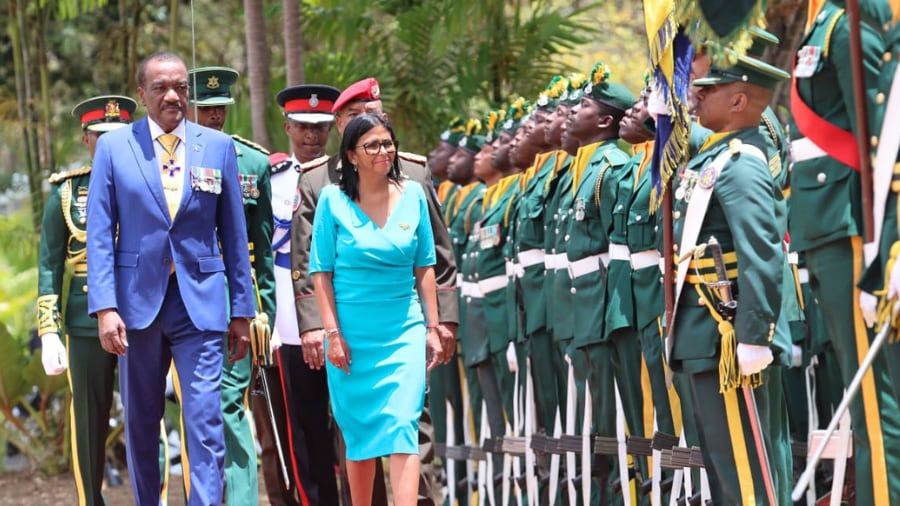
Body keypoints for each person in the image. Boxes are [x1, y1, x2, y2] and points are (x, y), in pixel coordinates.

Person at [85, 51, 255, 506]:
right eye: (161, 87)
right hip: (135, 307)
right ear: (142, 94)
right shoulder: (116, 148)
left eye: (180, 86)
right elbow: (100, 233)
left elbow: (234, 235)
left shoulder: (216, 146)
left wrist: (242, 310)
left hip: (199, 304)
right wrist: (105, 308)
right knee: (142, 424)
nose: (173, 95)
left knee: (205, 423)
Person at [291, 76, 458, 506]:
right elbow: (317, 271)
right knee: (360, 436)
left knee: (404, 427)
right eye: (373, 145)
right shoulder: (327, 196)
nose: (384, 152)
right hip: (352, 333)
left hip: (402, 329)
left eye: (388, 143)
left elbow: (430, 263)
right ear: (350, 152)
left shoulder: (415, 190)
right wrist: (327, 333)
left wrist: (436, 325)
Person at [669, 52, 793, 504]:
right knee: (724, 472)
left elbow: (762, 252)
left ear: (739, 99)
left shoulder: (741, 162)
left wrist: (755, 335)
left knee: (746, 476)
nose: (696, 96)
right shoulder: (714, 156)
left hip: (729, 338)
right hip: (702, 337)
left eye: (709, 89)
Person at [790, 2, 900, 504]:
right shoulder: (822, 21)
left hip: (852, 227)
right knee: (861, 405)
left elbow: (879, 137)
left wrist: (881, 242)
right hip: (823, 229)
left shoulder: (845, 22)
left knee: (875, 404)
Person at [37, 94, 136, 506]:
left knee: (146, 416)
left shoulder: (149, 182)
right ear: (86, 140)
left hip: (141, 316)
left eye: (119, 136)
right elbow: (49, 265)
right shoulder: (65, 192)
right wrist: (48, 331)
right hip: (84, 322)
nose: (109, 145)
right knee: (89, 419)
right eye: (101, 137)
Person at [186, 65, 275, 505]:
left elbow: (260, 249)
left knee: (228, 405)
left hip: (229, 306)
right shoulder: (162, 158)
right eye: (206, 107)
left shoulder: (252, 163)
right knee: (191, 410)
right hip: (175, 302)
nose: (216, 116)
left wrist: (264, 312)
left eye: (221, 108)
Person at [271, 83, 342, 506]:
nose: (312, 137)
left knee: (350, 423)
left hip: (343, 307)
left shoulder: (344, 177)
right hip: (290, 316)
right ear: (287, 127)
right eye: (303, 127)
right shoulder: (273, 180)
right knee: (304, 422)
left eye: (320, 128)